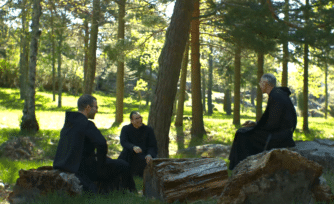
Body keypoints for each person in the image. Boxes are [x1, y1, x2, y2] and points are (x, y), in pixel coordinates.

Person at [53, 94, 136, 194]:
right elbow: (102, 144)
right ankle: (132, 192)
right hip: (83, 168)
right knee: (124, 165)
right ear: (88, 107)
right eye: (96, 107)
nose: (97, 110)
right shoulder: (87, 124)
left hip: (65, 165)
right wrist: (102, 162)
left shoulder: (68, 123)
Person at [228, 73, 297, 170]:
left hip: (279, 136)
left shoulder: (276, 96)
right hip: (280, 132)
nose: (259, 85)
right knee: (244, 131)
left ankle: (240, 168)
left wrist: (256, 127)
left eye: (260, 82)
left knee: (242, 134)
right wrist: (256, 124)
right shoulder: (277, 94)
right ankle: (238, 167)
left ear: (265, 83)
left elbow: (273, 123)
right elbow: (272, 119)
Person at [118, 111, 158, 177]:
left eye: (140, 117)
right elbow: (124, 142)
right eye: (137, 118)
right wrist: (133, 147)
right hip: (130, 154)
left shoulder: (148, 130)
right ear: (131, 121)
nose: (140, 120)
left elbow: (152, 145)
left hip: (143, 155)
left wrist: (149, 155)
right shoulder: (125, 129)